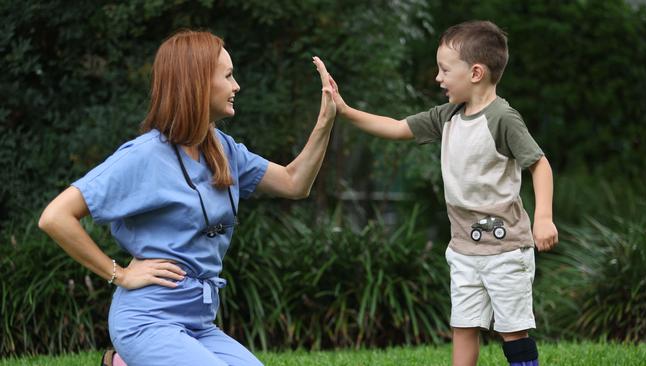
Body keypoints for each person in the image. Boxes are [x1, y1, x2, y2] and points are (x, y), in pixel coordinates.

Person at [38, 30, 336, 366]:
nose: (236, 86)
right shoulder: (144, 156)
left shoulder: (223, 150)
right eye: (227, 75)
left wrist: (325, 121)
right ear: (197, 83)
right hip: (147, 321)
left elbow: (295, 182)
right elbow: (55, 217)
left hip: (199, 323)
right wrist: (119, 274)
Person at [324, 20, 558, 366]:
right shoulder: (446, 116)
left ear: (475, 72)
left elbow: (539, 164)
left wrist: (543, 218)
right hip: (463, 248)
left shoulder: (503, 119)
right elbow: (397, 127)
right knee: (463, 325)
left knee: (512, 329)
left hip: (506, 249)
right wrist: (343, 110)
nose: (438, 78)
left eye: (445, 70)